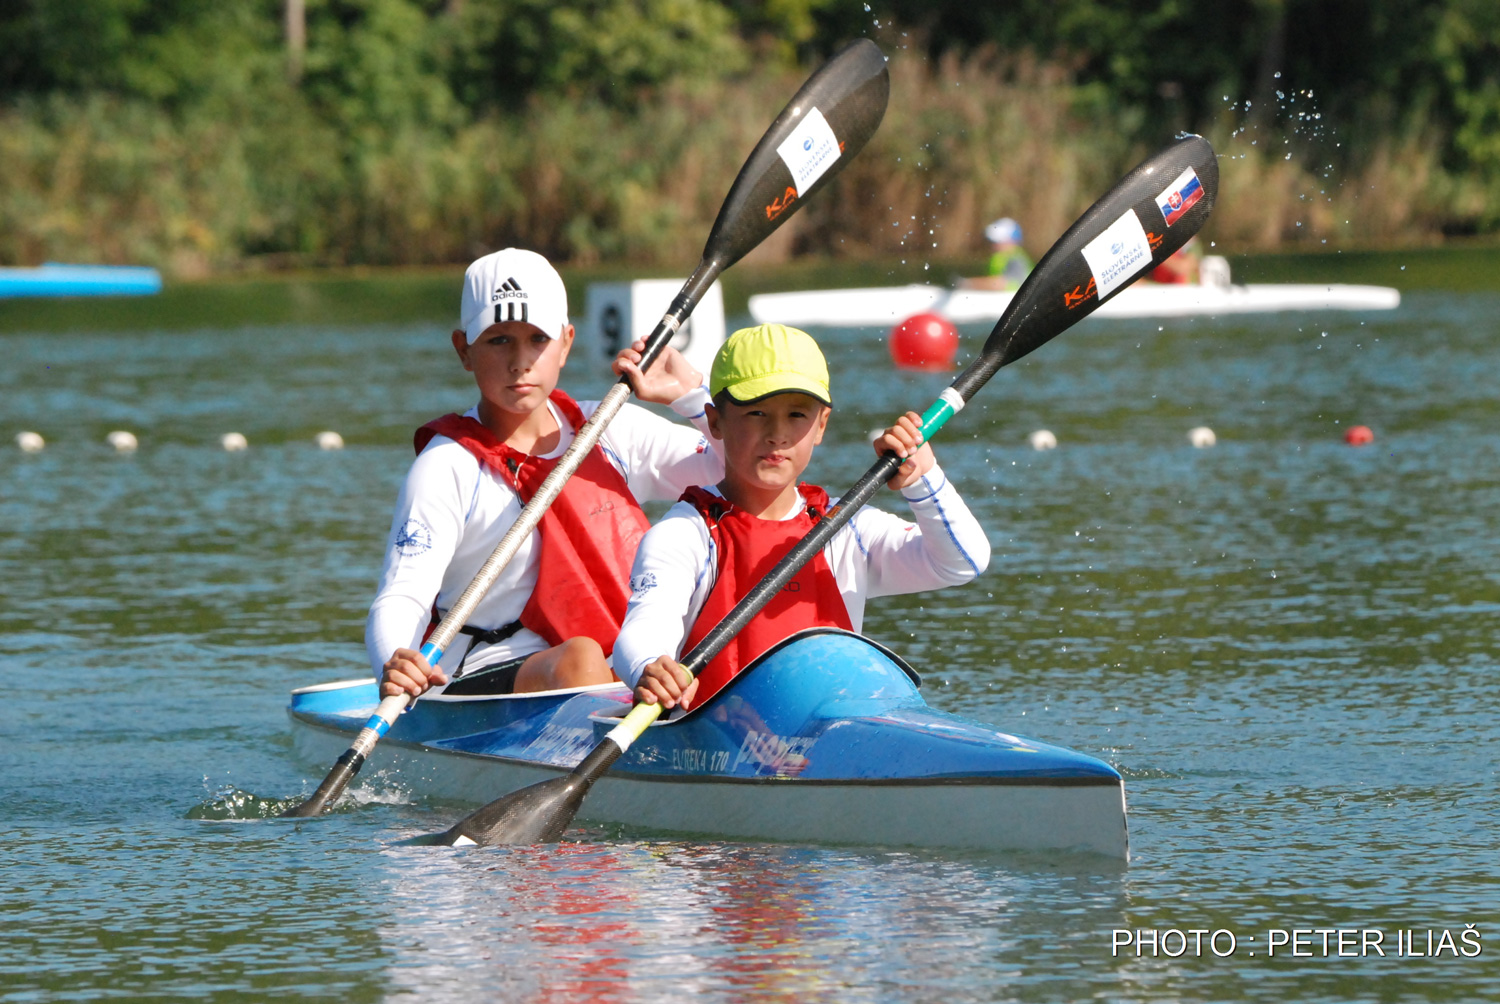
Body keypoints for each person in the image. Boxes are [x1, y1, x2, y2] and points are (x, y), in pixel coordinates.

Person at [369, 248, 723, 700]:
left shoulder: (609, 429)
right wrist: (394, 658)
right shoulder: (447, 466)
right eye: (499, 340)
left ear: (566, 342)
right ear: (464, 350)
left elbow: (738, 471)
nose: (521, 361)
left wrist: (691, 396)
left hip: (618, 669)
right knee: (580, 659)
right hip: (476, 676)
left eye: (537, 339)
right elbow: (402, 596)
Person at [613, 322, 991, 712]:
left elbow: (963, 563)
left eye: (796, 414)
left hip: (829, 736)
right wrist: (650, 665)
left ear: (821, 425)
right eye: (757, 412)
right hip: (716, 742)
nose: (777, 434)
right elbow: (645, 626)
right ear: (715, 421)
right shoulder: (685, 533)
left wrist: (924, 480)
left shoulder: (847, 530)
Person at [962, 217, 1033, 290]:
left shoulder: (1017, 260)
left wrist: (967, 283)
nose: (994, 244)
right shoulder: (999, 257)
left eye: (1000, 240)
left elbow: (1000, 284)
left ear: (1012, 240)